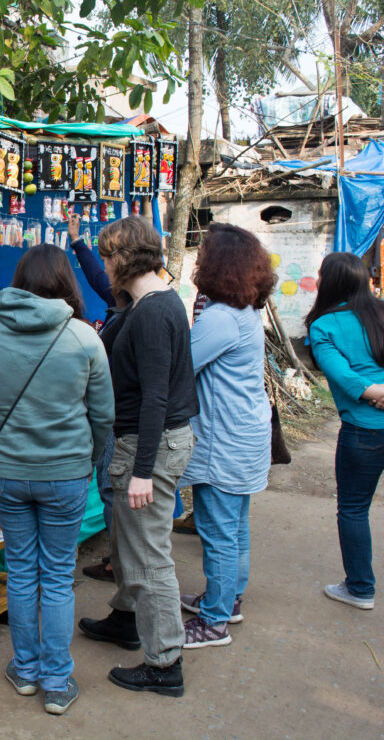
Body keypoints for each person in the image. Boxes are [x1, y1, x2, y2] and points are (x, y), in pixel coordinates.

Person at [0, 244, 114, 715]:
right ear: (66, 281)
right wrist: (91, 457)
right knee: (59, 577)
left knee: (22, 573)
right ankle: (57, 682)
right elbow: (103, 414)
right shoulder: (85, 337)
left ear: (20, 279)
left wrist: (2, 405)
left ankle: (25, 671)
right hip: (66, 473)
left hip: (7, 470)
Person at [78, 216, 198, 698]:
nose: (103, 265)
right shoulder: (148, 303)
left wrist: (143, 471)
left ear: (124, 257)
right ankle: (127, 619)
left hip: (149, 444)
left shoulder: (152, 313)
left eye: (107, 256)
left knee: (149, 557)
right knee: (129, 545)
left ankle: (164, 662)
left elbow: (155, 398)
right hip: (151, 440)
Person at [176, 224, 276, 647]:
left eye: (202, 257)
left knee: (218, 532)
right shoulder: (245, 311)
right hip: (244, 435)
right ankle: (227, 601)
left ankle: (214, 621)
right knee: (235, 527)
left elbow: (180, 368)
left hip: (223, 441)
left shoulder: (220, 319)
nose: (197, 264)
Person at [306, 251, 384, 611]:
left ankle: (360, 589)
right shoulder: (381, 312)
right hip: (367, 427)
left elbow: (342, 375)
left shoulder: (323, 326)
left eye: (321, 274)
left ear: (333, 282)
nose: (317, 280)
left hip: (363, 432)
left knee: (353, 510)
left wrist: (374, 393)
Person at [69, 213, 123, 583]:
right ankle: (119, 560)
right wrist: (77, 242)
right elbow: (98, 277)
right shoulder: (122, 300)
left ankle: (122, 564)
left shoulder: (139, 310)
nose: (104, 268)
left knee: (114, 493)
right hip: (117, 421)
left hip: (122, 422)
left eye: (109, 259)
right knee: (111, 494)